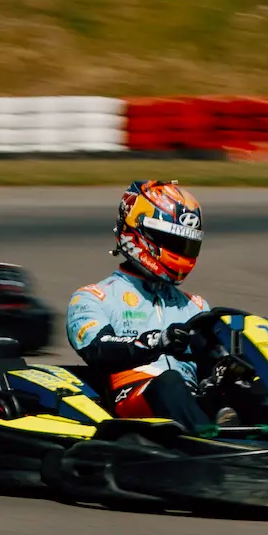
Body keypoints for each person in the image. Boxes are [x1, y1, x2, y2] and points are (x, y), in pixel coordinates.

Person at [65, 180, 214, 430]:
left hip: (190, 398)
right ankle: (210, 444)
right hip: (132, 397)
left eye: (187, 244)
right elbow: (98, 350)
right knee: (170, 383)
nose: (182, 252)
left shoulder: (196, 306)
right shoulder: (93, 297)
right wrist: (156, 341)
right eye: (174, 242)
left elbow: (210, 364)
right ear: (140, 234)